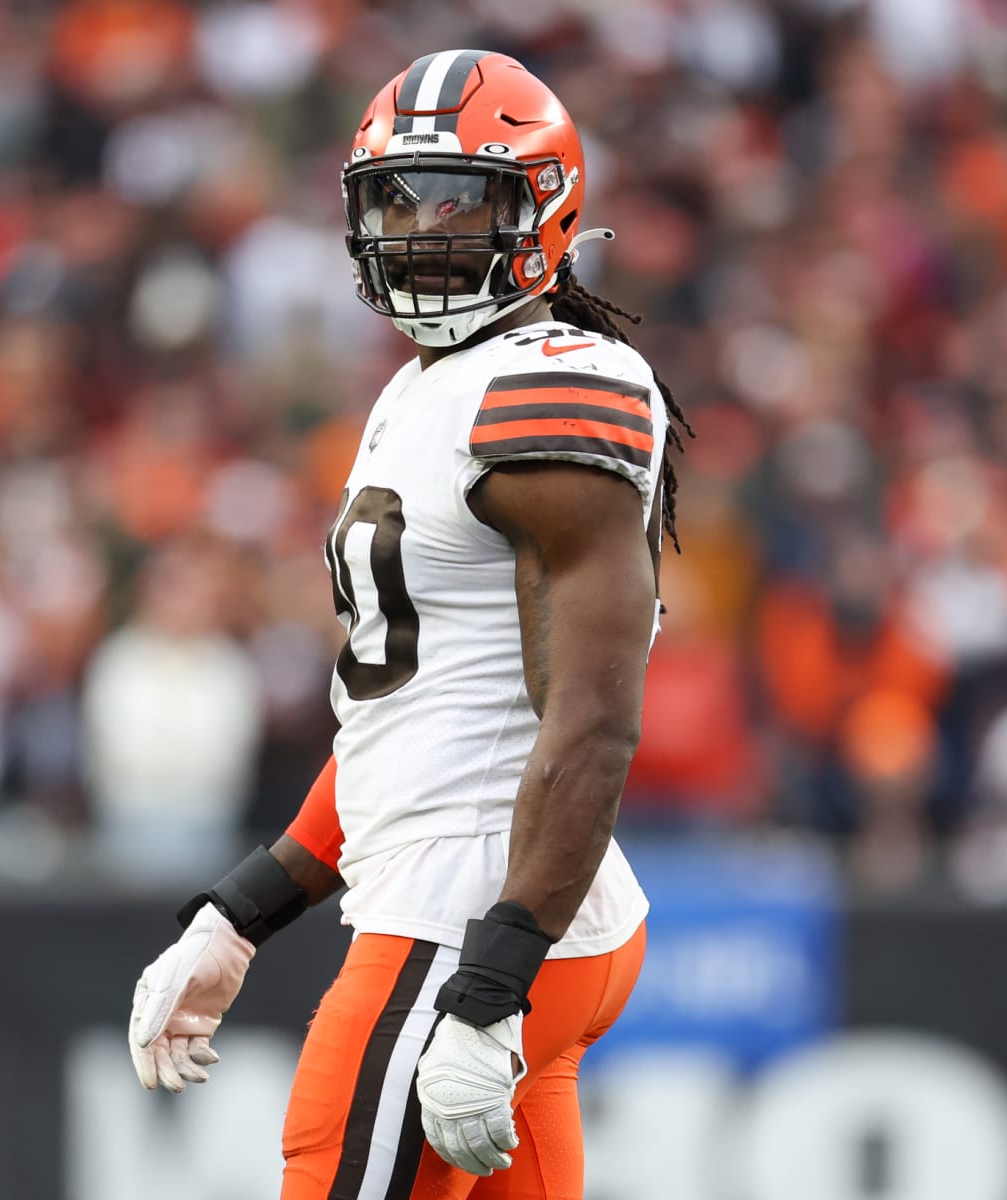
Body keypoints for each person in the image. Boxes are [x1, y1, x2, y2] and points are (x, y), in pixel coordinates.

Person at [128, 50, 694, 1197]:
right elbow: (405, 711)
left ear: (543, 211)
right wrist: (241, 914)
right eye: (396, 198)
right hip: (485, 895)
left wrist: (489, 987)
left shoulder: (556, 382)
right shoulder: (423, 386)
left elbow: (589, 722)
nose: (418, 229)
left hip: (474, 911)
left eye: (457, 201)